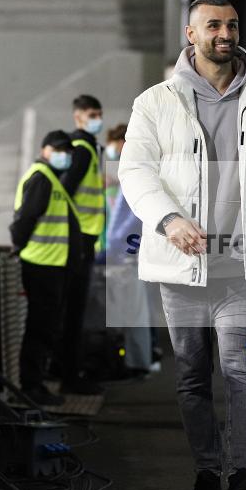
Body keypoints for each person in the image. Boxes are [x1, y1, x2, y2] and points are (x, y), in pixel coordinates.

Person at [119, 0, 246, 490]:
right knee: (192, 378)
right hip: (181, 267)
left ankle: (243, 475)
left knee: (240, 370)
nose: (225, 33)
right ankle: (207, 474)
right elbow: (135, 172)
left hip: (245, 267)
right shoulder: (155, 101)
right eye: (213, 25)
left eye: (232, 25)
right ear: (191, 34)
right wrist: (168, 220)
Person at [10, 130, 82, 406]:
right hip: (42, 265)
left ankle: (36, 383)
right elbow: (25, 219)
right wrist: (18, 244)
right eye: (59, 149)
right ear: (45, 149)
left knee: (46, 328)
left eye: (67, 151)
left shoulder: (52, 178)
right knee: (40, 329)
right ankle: (32, 387)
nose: (64, 155)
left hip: (52, 264)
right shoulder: (42, 178)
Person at [58, 95, 106, 396]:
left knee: (72, 312)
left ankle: (67, 373)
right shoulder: (83, 149)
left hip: (81, 242)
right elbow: (65, 193)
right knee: (73, 314)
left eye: (99, 113)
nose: (96, 119)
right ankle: (69, 377)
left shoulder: (86, 148)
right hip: (78, 243)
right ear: (78, 117)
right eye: (91, 114)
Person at [104, 123, 156, 378]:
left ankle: (136, 364)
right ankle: (138, 361)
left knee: (133, 312)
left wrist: (113, 246)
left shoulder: (135, 171)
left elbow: (130, 218)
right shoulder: (134, 171)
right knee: (134, 311)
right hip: (127, 250)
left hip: (126, 252)